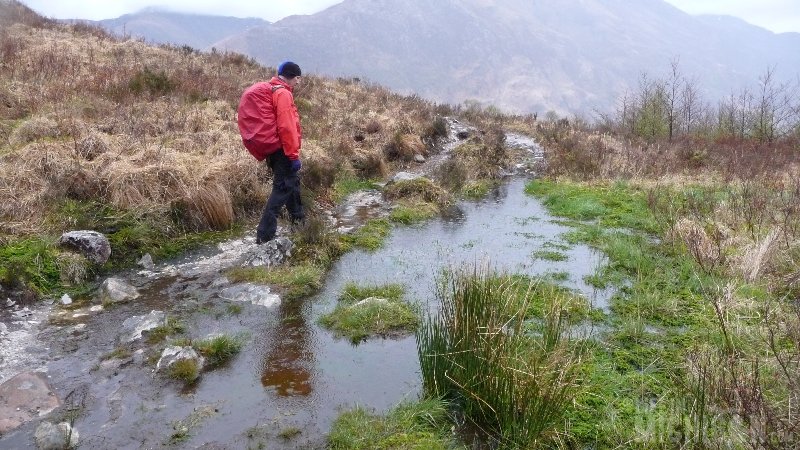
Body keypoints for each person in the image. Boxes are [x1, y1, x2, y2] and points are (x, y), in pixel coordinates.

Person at [256, 61, 304, 244]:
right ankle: (264, 236)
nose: (299, 83)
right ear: (294, 76)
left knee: (293, 184)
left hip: (275, 151)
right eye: (298, 78)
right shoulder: (283, 93)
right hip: (284, 152)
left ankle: (299, 222)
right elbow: (287, 127)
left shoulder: (273, 89)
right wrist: (293, 156)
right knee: (281, 189)